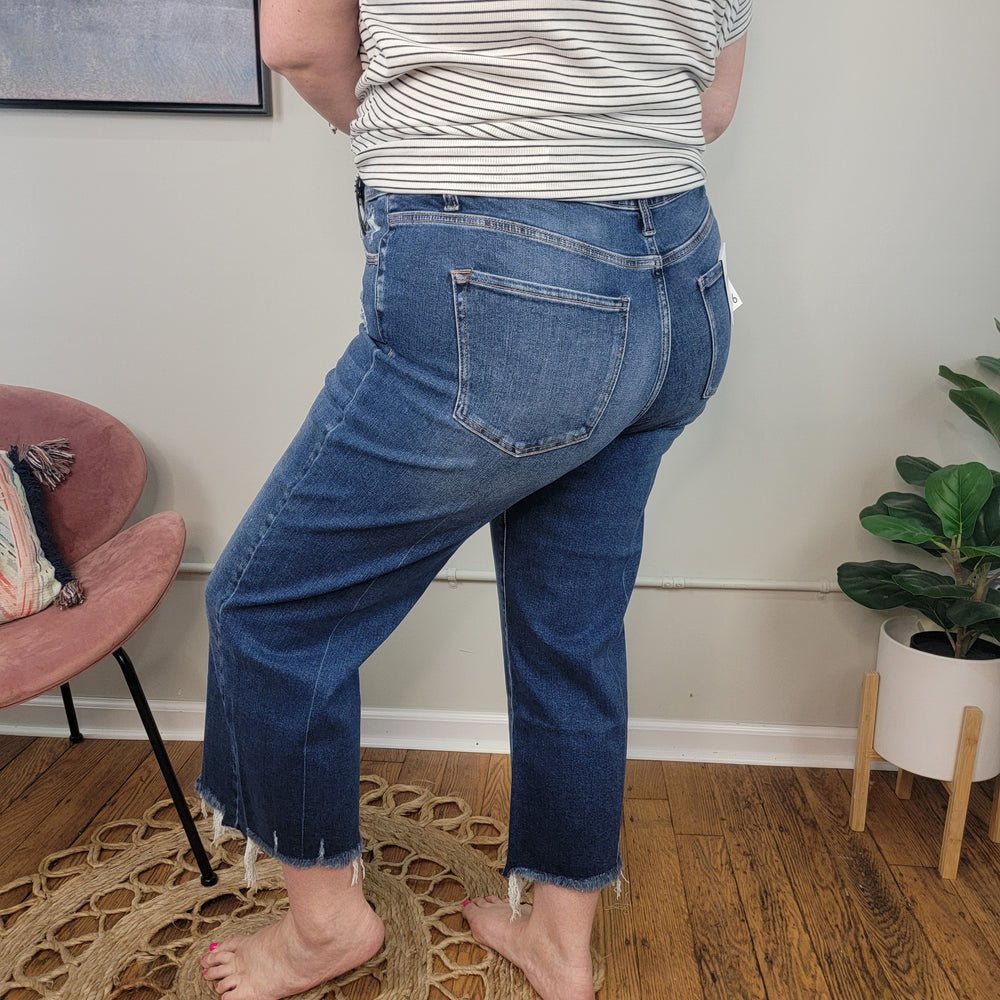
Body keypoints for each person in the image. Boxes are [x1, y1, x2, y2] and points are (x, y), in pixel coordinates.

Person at [199, 2, 751, 998]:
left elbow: (297, 43)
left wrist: (442, 132)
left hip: (504, 275)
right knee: (571, 629)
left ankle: (326, 927)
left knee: (265, 611)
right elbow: (712, 100)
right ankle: (560, 943)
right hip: (684, 283)